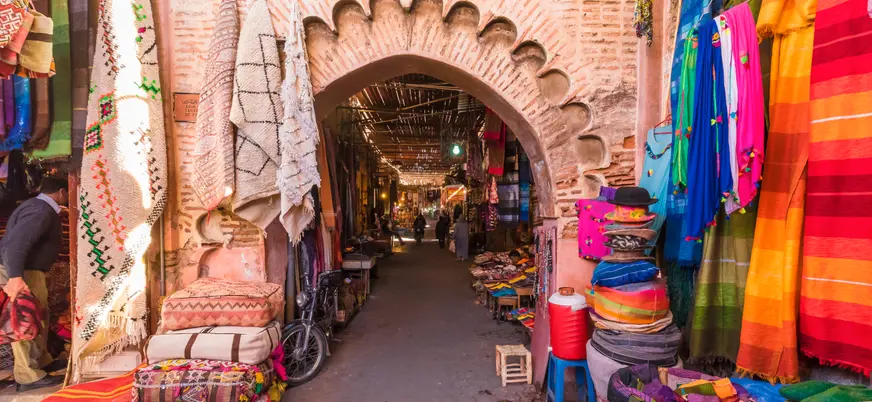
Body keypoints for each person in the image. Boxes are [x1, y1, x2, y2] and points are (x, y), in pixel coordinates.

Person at [0, 177, 69, 391]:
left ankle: (41, 363)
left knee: (38, 316)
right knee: (23, 318)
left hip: (28, 271)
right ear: (61, 191)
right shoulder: (40, 210)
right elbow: (17, 243)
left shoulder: (37, 207)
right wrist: (15, 277)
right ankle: (27, 375)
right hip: (22, 272)